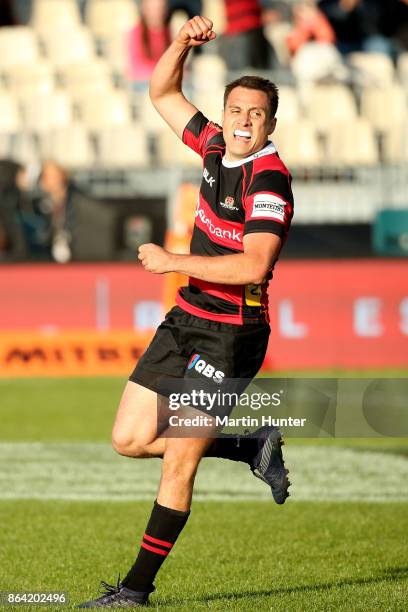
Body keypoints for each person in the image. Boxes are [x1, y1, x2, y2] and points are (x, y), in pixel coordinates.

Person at [78, 14, 293, 609]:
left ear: (272, 123)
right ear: (225, 114)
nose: (244, 121)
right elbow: (163, 93)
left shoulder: (269, 180)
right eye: (237, 110)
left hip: (230, 335)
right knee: (128, 438)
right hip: (186, 319)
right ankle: (250, 446)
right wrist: (180, 42)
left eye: (257, 113)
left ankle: (134, 592)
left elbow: (253, 266)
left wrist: (174, 260)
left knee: (176, 461)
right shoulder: (216, 144)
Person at [127, 0, 171, 88]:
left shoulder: (169, 32)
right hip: (143, 84)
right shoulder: (136, 32)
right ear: (144, 9)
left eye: (159, 9)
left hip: (165, 83)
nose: (156, 13)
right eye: (152, 9)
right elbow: (136, 68)